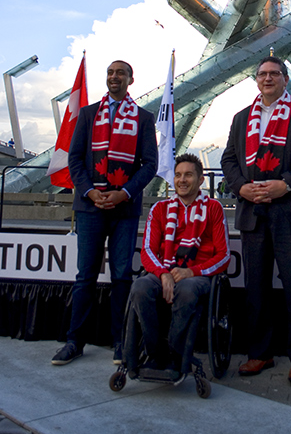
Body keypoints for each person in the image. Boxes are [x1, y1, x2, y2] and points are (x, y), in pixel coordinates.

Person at [221, 56, 291, 384]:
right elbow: (229, 158)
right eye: (263, 74)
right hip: (253, 211)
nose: (268, 79)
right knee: (256, 288)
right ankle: (260, 353)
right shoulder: (241, 118)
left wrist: (287, 184)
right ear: (256, 80)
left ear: (285, 79)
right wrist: (242, 187)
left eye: (274, 74)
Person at [51, 60, 158, 366]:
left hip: (124, 209)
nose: (114, 77)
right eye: (110, 72)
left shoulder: (143, 118)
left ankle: (121, 343)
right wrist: (90, 191)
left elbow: (149, 164)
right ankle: (74, 341)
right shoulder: (87, 114)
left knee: (122, 277)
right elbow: (74, 159)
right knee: (85, 276)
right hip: (90, 206)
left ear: (130, 79)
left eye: (120, 73)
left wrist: (124, 192)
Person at [127, 153, 230, 380]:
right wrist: (163, 273)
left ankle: (176, 354)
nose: (182, 180)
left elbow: (224, 256)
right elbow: (147, 252)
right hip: (164, 270)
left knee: (187, 289)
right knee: (140, 287)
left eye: (188, 175)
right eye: (178, 175)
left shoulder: (213, 208)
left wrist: (191, 271)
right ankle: (155, 353)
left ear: (201, 180)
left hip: (197, 274)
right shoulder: (160, 209)